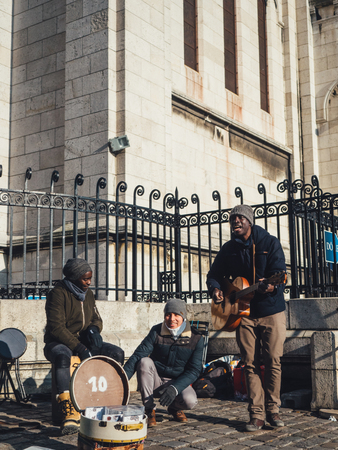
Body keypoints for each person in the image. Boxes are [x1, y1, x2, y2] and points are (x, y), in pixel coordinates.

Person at [206, 205, 286, 432]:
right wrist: (215, 289)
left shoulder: (269, 243)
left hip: (271, 311)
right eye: (233, 219)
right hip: (243, 313)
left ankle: (273, 410)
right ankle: (256, 415)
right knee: (249, 363)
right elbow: (213, 275)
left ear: (250, 221)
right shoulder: (228, 249)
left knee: (273, 361)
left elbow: (280, 273)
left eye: (240, 218)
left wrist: (270, 287)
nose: (236, 221)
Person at [44, 258, 125, 435]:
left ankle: (107, 403)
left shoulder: (88, 294)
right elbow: (56, 327)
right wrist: (79, 347)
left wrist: (94, 331)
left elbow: (96, 318)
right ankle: (68, 411)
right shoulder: (57, 293)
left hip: (83, 341)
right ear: (73, 277)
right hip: (58, 342)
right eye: (84, 279)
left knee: (116, 353)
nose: (88, 282)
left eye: (90, 278)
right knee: (62, 356)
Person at [123, 298, 204, 427]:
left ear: (183, 316)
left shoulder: (196, 338)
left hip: (178, 382)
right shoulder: (156, 331)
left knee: (190, 401)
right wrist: (121, 379)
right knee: (144, 361)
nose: (171, 319)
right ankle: (149, 410)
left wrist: (175, 388)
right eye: (168, 314)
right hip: (156, 380)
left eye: (176, 314)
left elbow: (194, 370)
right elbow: (139, 354)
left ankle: (174, 408)